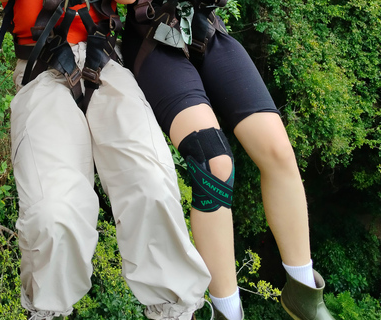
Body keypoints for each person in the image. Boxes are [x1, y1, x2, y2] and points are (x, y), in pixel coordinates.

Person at [121, 0, 336, 319]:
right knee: (214, 164)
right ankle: (228, 312)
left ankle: (304, 293)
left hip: (200, 24)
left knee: (276, 147)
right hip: (149, 39)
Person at [0, 0, 212, 319]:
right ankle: (47, 310)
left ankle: (176, 312)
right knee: (52, 214)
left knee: (151, 184)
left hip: (106, 63)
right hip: (42, 69)